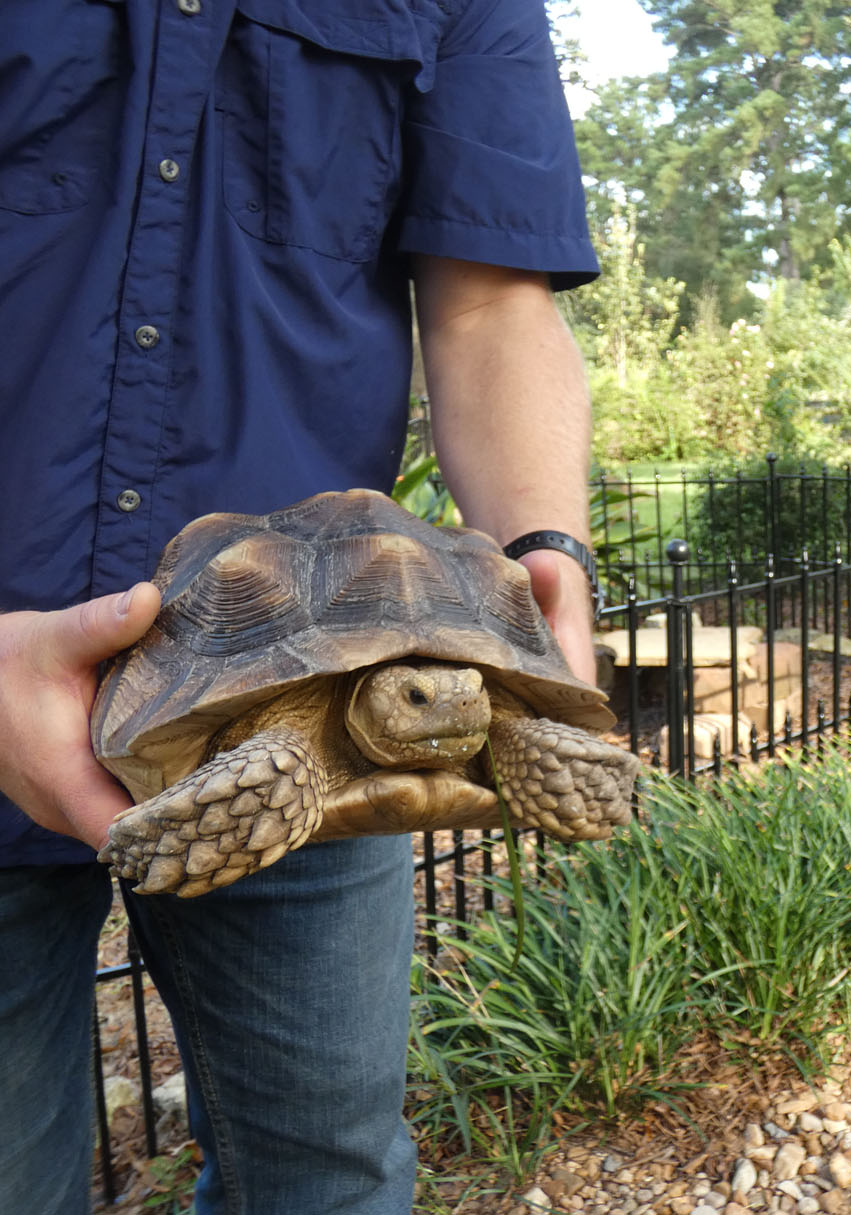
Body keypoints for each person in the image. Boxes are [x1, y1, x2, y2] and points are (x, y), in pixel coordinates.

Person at [0, 2, 603, 1211]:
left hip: (308, 696)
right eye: (427, 697)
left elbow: (490, 302)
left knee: (330, 1175)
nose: (449, 705)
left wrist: (549, 555)